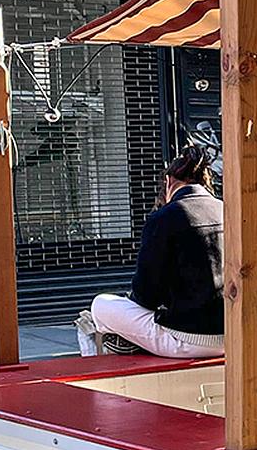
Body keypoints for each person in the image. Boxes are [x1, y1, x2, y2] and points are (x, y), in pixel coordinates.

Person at [76, 146, 224, 358]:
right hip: (235, 334)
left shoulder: (165, 217)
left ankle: (116, 350)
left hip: (187, 340)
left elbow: (146, 296)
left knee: (101, 305)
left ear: (169, 182)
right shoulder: (227, 210)